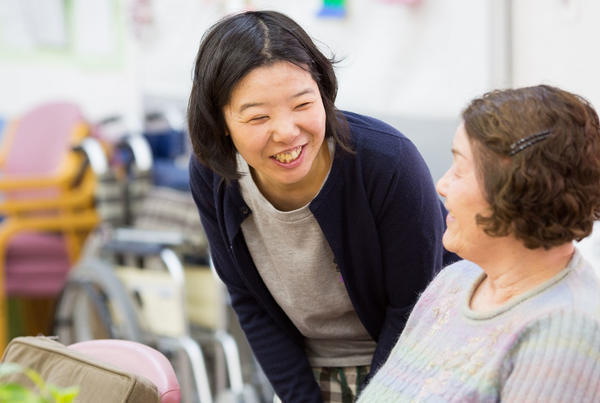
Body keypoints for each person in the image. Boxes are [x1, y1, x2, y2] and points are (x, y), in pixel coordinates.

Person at [187, 10, 455, 402]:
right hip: (311, 375)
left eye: (302, 104)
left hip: (416, 360)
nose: (286, 132)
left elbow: (412, 309)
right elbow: (248, 300)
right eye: (258, 116)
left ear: (324, 92)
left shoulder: (388, 163)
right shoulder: (215, 173)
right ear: (221, 122)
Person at [357, 84, 600, 402]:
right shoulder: (453, 282)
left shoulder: (566, 333)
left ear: (516, 194)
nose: (442, 185)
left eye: (460, 169)